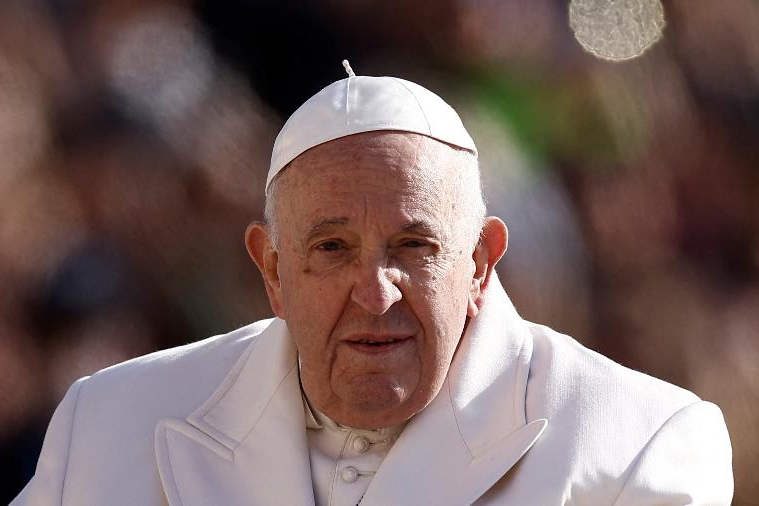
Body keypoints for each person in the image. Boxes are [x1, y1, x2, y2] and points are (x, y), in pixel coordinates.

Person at [13, 63, 733, 505]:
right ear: (270, 270)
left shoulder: (638, 445)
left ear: (480, 262)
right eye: (331, 248)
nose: (375, 291)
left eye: (414, 246)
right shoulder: (110, 423)